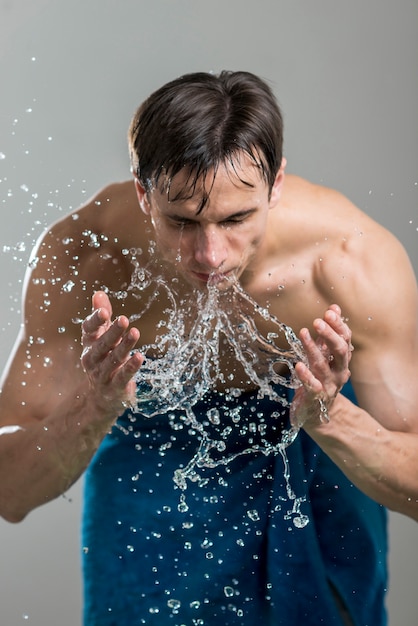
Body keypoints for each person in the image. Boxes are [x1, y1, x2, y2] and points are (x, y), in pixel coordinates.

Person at [0, 70, 417, 626]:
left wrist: (331, 416)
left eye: (237, 218)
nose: (210, 255)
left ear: (275, 185)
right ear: (144, 192)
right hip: (151, 447)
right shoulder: (88, 259)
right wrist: (95, 405)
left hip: (313, 450)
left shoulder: (350, 265)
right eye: (182, 222)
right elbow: (9, 491)